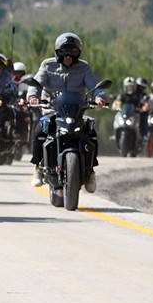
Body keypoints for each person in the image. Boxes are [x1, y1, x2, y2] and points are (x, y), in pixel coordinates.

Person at [28, 32, 107, 193]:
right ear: (58, 51)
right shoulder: (47, 65)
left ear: (79, 52)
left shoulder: (84, 67)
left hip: (76, 112)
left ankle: (90, 171)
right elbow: (36, 82)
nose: (69, 56)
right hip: (52, 111)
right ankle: (38, 167)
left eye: (73, 51)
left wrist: (99, 97)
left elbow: (94, 84)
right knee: (39, 132)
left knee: (91, 132)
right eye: (65, 51)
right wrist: (33, 96)